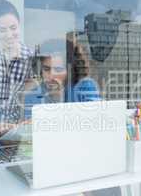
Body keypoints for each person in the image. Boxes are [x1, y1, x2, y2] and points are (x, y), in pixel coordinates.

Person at [23, 40, 122, 196]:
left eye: (58, 69)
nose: (51, 76)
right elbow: (31, 142)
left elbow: (98, 129)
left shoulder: (85, 86)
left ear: (71, 69)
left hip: (87, 158)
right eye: (46, 69)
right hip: (51, 163)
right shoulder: (32, 96)